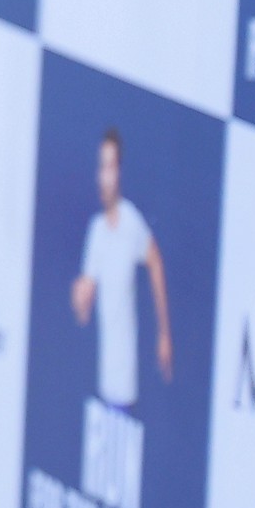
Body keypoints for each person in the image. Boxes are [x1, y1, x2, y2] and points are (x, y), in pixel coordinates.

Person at [66, 126, 170, 407]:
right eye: (102, 167)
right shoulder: (96, 231)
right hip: (104, 381)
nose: (105, 178)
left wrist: (163, 334)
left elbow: (156, 262)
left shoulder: (132, 222)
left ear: (120, 172)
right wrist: (79, 299)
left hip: (128, 384)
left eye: (111, 167)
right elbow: (84, 310)